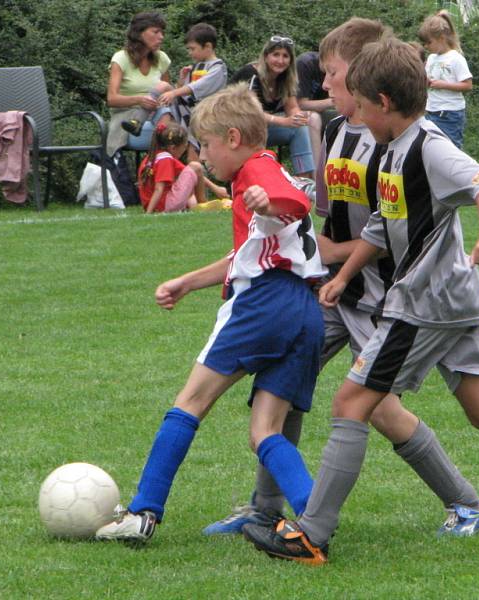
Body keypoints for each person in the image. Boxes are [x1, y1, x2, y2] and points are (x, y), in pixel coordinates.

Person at [242, 37, 479, 565]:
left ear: (383, 101)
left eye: (361, 102)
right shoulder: (394, 148)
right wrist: (345, 276)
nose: (356, 113)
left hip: (423, 302)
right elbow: (386, 223)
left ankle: (311, 533)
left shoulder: (427, 144)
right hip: (456, 298)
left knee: (351, 404)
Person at [202, 17, 479, 540]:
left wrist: (328, 253)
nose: (324, 83)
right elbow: (329, 216)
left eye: (332, 73)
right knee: (283, 379)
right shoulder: (335, 129)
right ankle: (265, 508)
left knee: (375, 408)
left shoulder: (392, 140)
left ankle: (465, 501)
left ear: (362, 79)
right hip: (332, 287)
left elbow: (388, 226)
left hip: (379, 293)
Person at [95, 83, 327, 544]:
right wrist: (187, 282)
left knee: (190, 403)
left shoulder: (256, 172)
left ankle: (143, 513)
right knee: (264, 431)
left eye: (208, 145)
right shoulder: (261, 170)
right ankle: (313, 526)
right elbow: (248, 254)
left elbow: (295, 201)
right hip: (304, 311)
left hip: (264, 305)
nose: (204, 155)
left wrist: (270, 201)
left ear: (235, 138)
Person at [126, 23, 228, 162]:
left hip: (204, 112)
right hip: (188, 108)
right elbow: (185, 90)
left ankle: (180, 168)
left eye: (193, 49)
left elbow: (198, 87)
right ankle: (137, 121)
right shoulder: (197, 66)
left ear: (208, 46)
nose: (190, 53)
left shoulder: (218, 68)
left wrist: (174, 92)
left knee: (193, 154)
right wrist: (180, 81)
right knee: (163, 86)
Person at [231, 36, 315, 179]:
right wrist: (284, 121)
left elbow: (292, 107)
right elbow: (251, 112)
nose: (280, 61)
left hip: (262, 129)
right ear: (266, 56)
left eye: (285, 56)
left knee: (300, 128)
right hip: (237, 129)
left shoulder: (284, 78)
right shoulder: (251, 74)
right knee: (257, 129)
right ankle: (258, 180)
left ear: (291, 60)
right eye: (276, 55)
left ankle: (304, 180)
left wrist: (298, 117)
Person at [106, 11, 176, 156]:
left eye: (162, 32)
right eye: (156, 32)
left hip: (156, 112)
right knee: (167, 121)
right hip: (127, 113)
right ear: (139, 33)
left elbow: (168, 96)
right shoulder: (121, 58)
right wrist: (139, 100)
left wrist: (182, 81)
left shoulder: (161, 58)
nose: (161, 37)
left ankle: (161, 164)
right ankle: (160, 164)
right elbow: (112, 99)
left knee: (165, 110)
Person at [418, 12, 473, 149]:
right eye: (424, 43)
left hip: (450, 114)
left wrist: (444, 85)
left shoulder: (456, 58)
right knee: (430, 148)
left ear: (441, 38)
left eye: (429, 42)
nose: (426, 46)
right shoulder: (431, 58)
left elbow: (467, 85)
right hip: (431, 111)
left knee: (451, 149)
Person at [137, 122, 204, 213]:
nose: (183, 152)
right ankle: (203, 203)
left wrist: (216, 189)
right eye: (184, 148)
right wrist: (148, 213)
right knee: (196, 166)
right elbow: (158, 189)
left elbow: (190, 173)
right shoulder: (165, 159)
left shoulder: (154, 156)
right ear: (173, 148)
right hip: (164, 205)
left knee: (188, 177)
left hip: (157, 204)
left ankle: (195, 208)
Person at [295, 50, 337, 168]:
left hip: (322, 111)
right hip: (295, 112)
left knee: (342, 117)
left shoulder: (338, 67)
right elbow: (300, 104)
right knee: (315, 119)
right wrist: (333, 101)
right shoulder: (305, 64)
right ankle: (318, 173)